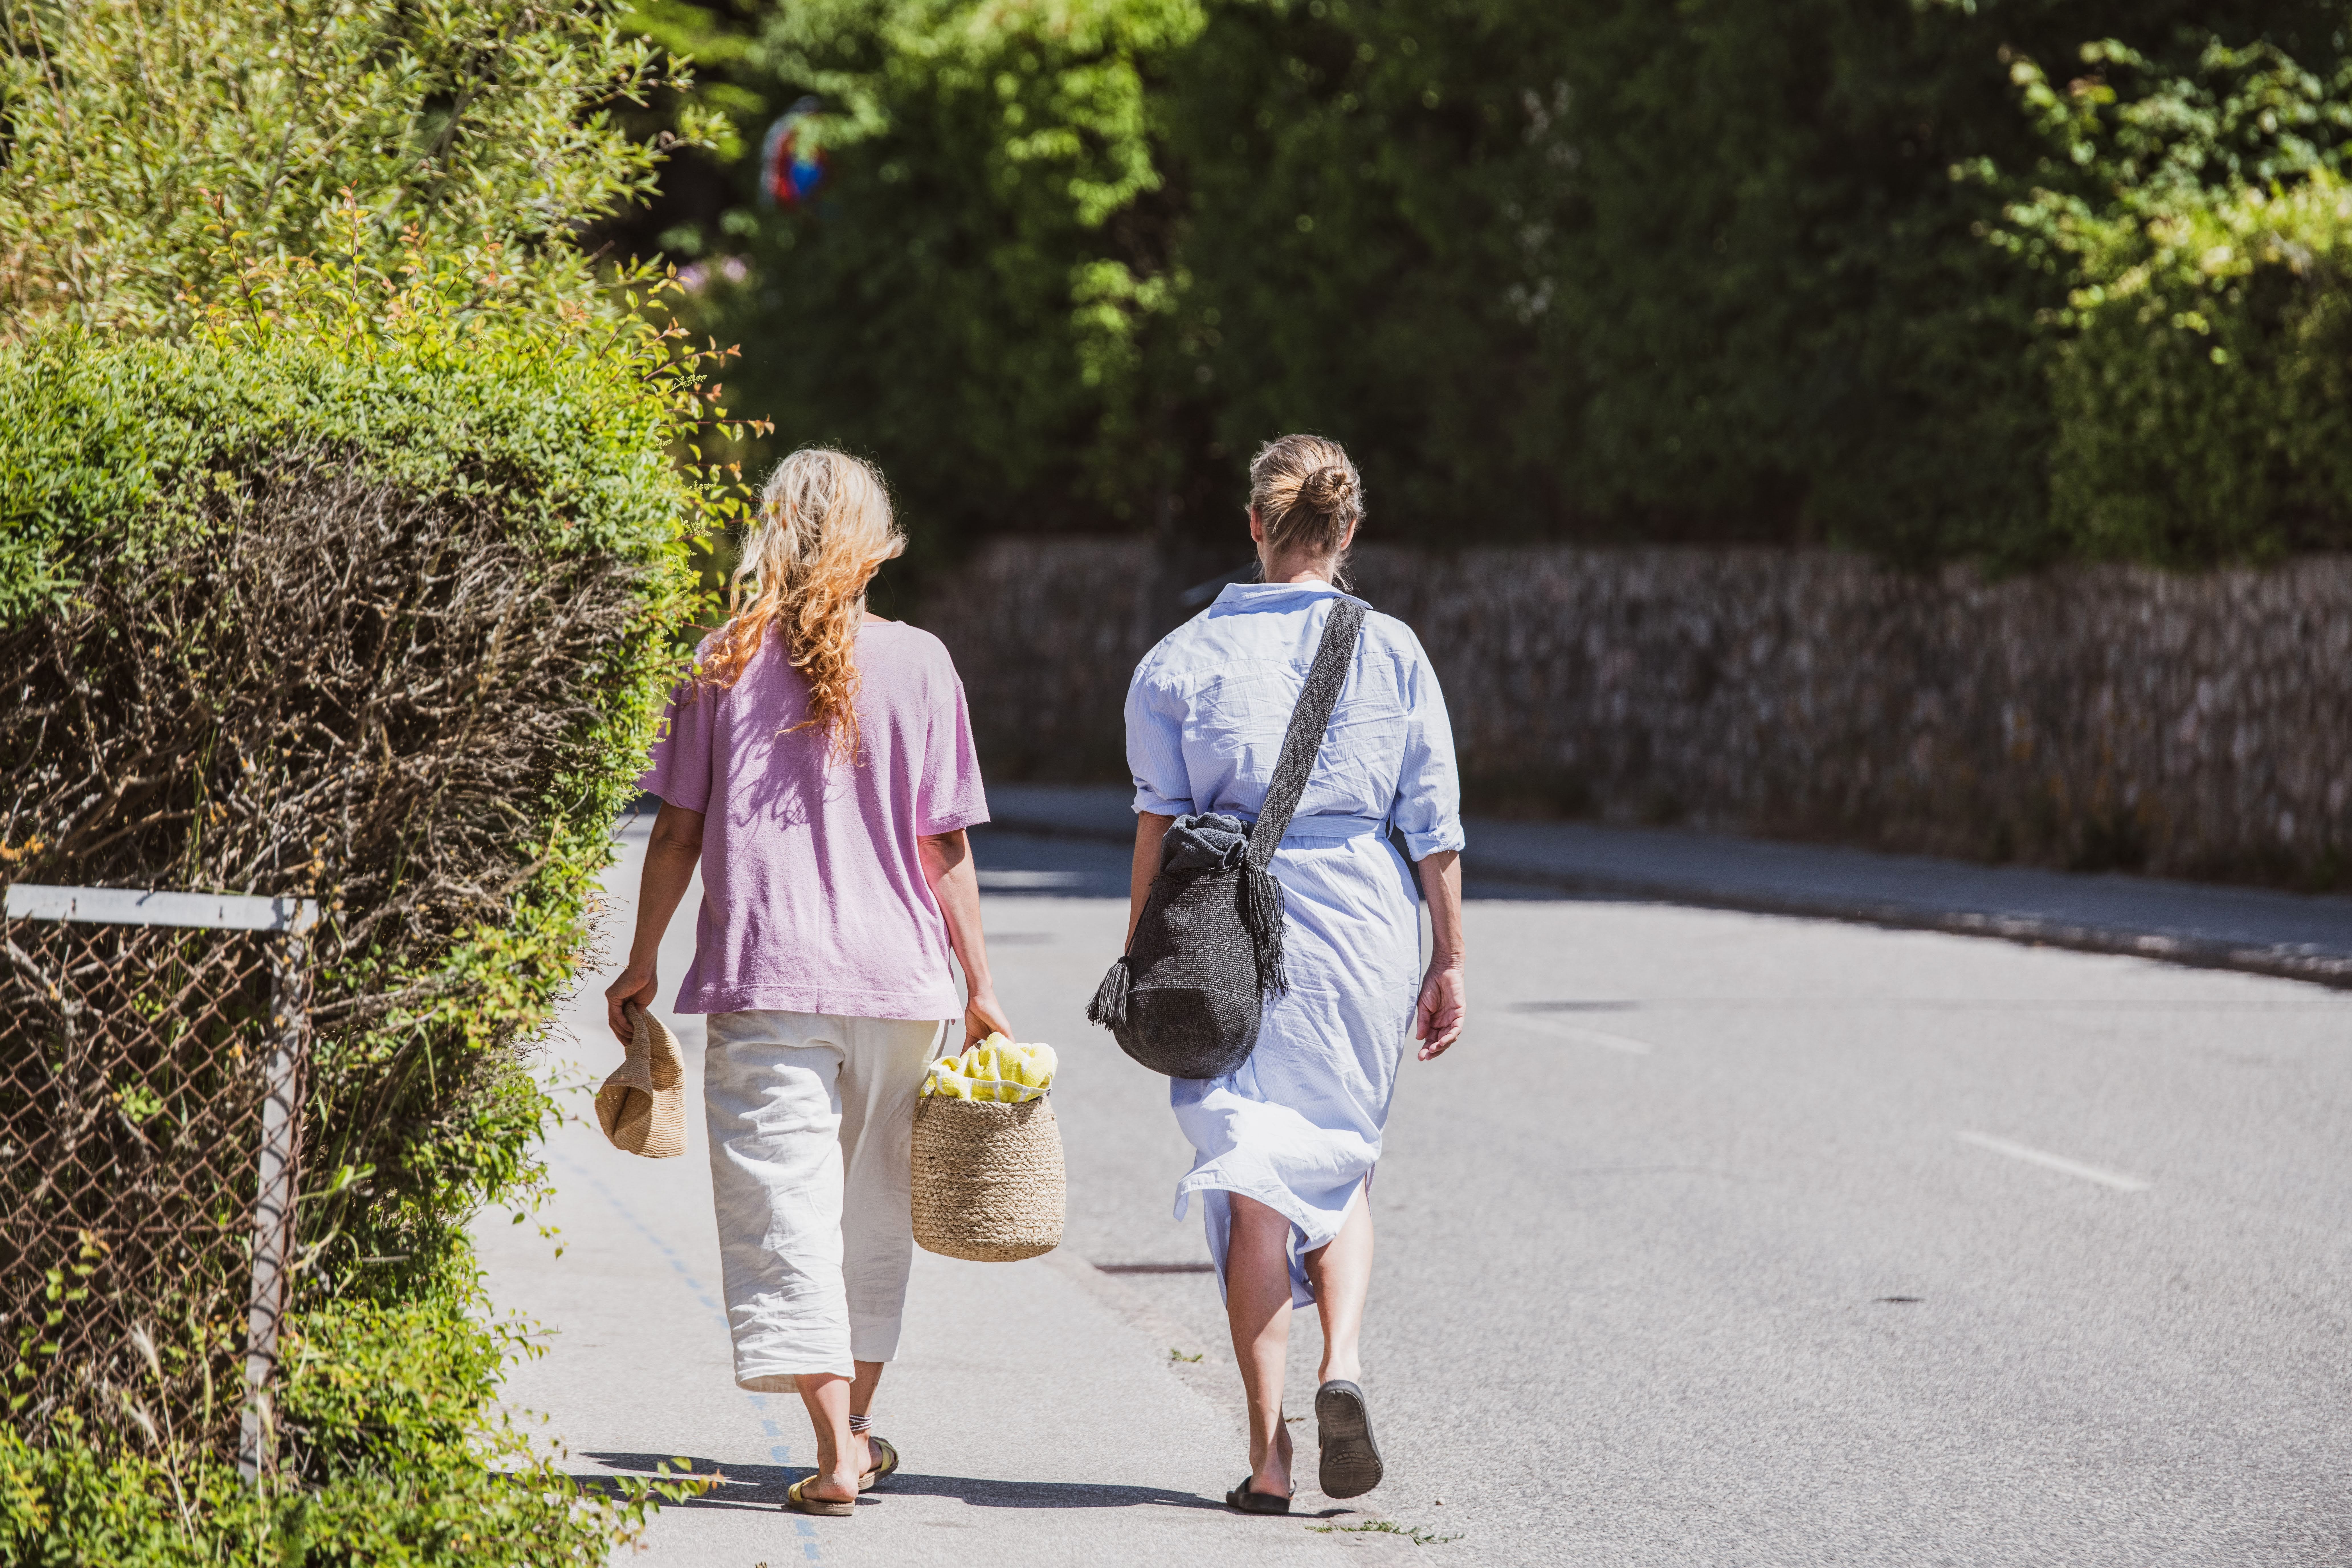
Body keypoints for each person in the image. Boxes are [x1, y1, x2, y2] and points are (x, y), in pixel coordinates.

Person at [605, 448, 1009, 1519]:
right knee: (873, 1219)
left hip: (769, 979)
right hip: (905, 988)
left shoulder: (722, 660)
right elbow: (945, 846)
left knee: (784, 1209)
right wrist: (980, 984)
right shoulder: (924, 662)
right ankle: (857, 1433)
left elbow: (677, 831)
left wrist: (643, 957)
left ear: (774, 532)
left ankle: (835, 1450)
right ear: (875, 544)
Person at [1119, 434, 1466, 1514]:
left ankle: (1269, 1458)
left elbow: (1157, 825)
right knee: (1340, 1156)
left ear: (1256, 525)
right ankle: (1342, 1363)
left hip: (1226, 924)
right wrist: (1449, 958)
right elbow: (1434, 827)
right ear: (1347, 529)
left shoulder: (1179, 658)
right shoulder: (1393, 649)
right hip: (1363, 920)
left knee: (1252, 1172)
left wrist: (1140, 957)